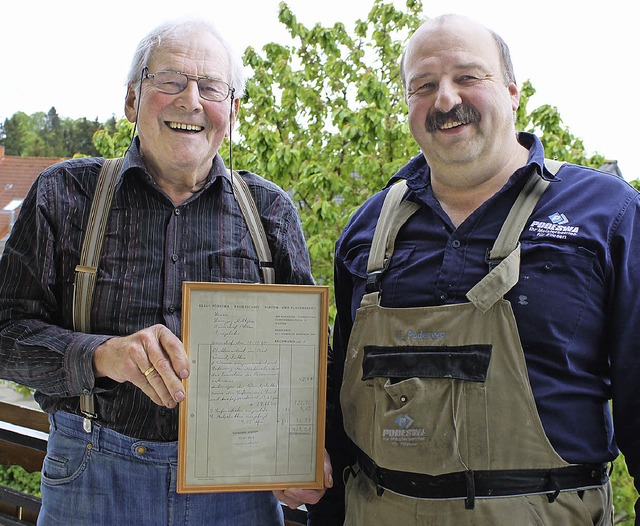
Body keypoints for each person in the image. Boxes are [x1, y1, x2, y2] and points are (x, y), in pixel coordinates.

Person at [308, 14, 640, 526]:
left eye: (467, 77)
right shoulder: (367, 227)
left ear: (511, 92)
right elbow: (339, 407)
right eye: (424, 85)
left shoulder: (607, 213)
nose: (445, 99)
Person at [0, 18, 327, 526]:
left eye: (211, 86)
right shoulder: (64, 195)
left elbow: (310, 361)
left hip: (237, 487)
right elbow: (5, 337)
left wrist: (307, 450)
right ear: (132, 100)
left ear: (233, 110)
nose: (191, 100)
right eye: (170, 80)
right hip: (93, 474)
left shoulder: (269, 212)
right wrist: (103, 356)